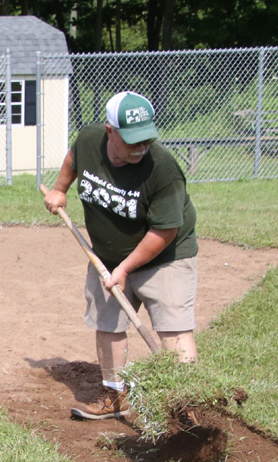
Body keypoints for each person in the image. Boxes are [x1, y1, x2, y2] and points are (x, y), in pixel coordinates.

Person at [43, 91, 199, 420]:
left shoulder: (163, 169)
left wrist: (125, 268)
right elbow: (74, 158)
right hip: (107, 254)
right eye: (132, 142)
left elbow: (165, 231)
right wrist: (60, 189)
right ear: (110, 131)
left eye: (146, 140)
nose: (141, 148)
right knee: (108, 322)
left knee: (173, 328)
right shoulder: (89, 139)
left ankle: (187, 405)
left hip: (165, 256)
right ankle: (116, 396)